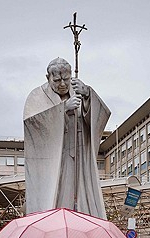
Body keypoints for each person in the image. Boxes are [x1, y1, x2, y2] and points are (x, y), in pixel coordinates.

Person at [23, 57, 110, 218]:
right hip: (53, 163)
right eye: (57, 80)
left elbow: (100, 117)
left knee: (80, 203)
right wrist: (63, 110)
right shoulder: (36, 96)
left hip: (78, 161)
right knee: (55, 202)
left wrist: (88, 96)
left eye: (66, 79)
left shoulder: (79, 91)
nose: (62, 84)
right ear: (47, 78)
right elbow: (32, 125)